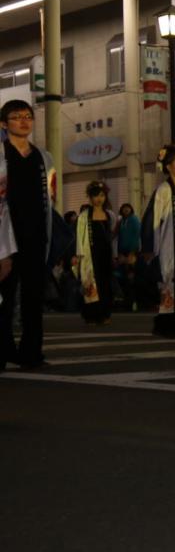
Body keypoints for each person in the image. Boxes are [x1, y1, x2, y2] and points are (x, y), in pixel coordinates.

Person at [0, 100, 56, 369]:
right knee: (4, 297)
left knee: (33, 297)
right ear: (3, 124)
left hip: (36, 235)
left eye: (28, 116)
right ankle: (4, 349)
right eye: (16, 117)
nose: (24, 121)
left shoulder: (44, 157)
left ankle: (31, 353)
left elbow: (51, 200)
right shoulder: (1, 154)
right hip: (5, 237)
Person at [146, 145, 175, 337]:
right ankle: (168, 325)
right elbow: (153, 220)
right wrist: (152, 250)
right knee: (171, 285)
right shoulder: (163, 191)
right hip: (169, 247)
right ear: (168, 167)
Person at [76, 181, 116, 325]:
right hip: (90, 254)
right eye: (96, 196)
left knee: (105, 283)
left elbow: (112, 237)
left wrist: (114, 254)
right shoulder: (83, 217)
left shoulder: (109, 215)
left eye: (102, 195)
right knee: (91, 284)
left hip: (105, 254)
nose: (99, 199)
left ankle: (105, 314)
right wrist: (79, 256)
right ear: (90, 197)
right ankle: (91, 315)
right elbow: (79, 237)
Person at [115, 202, 141, 310]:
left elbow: (136, 236)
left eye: (128, 208)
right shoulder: (121, 221)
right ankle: (127, 301)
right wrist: (119, 253)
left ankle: (134, 302)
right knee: (124, 277)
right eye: (124, 208)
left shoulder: (134, 220)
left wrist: (132, 252)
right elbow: (118, 237)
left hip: (132, 253)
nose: (126, 210)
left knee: (131, 277)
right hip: (122, 253)